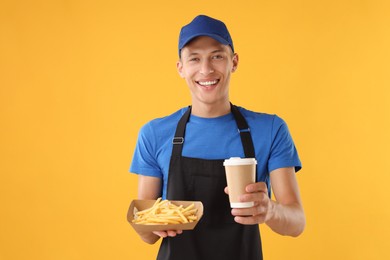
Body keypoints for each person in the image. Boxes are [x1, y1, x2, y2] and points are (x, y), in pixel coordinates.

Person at [130, 14, 305, 260]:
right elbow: (147, 235)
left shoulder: (271, 130)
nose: (206, 69)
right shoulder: (154, 134)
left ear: (233, 62)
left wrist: (271, 210)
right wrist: (151, 224)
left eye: (217, 56)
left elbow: (297, 223)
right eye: (194, 58)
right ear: (181, 68)